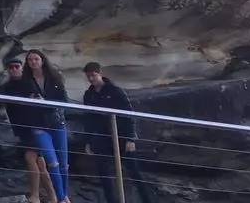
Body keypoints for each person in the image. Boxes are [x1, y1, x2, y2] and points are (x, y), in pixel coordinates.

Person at [82, 62, 155, 203]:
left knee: (134, 171)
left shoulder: (115, 91)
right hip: (101, 137)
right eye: (88, 76)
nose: (91, 79)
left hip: (121, 135)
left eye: (93, 75)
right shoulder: (89, 95)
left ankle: (147, 200)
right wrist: (88, 141)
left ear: (100, 73)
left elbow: (128, 114)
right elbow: (88, 119)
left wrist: (130, 138)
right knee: (104, 173)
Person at [2, 58, 58, 203]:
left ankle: (35, 196)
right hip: (22, 129)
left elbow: (37, 101)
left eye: (16, 66)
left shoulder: (29, 82)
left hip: (36, 127)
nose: (14, 69)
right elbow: (13, 105)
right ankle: (53, 197)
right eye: (11, 67)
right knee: (40, 163)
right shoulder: (7, 86)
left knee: (30, 158)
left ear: (22, 68)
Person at [22, 49, 72, 203]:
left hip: (57, 122)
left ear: (42, 60)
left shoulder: (54, 77)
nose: (33, 62)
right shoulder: (26, 81)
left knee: (63, 163)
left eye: (36, 59)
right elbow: (22, 104)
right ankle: (62, 198)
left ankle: (64, 196)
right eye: (30, 60)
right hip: (38, 124)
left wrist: (45, 101)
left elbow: (64, 100)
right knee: (52, 162)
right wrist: (30, 99)